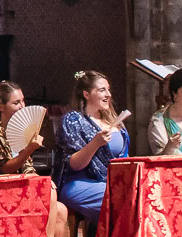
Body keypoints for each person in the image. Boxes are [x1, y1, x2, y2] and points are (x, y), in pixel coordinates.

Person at [56, 71, 131, 227]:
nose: (108, 94)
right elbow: (74, 164)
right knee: (120, 196)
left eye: (108, 89)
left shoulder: (111, 118)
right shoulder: (73, 120)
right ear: (86, 94)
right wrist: (95, 143)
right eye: (102, 90)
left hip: (112, 181)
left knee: (139, 192)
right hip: (79, 182)